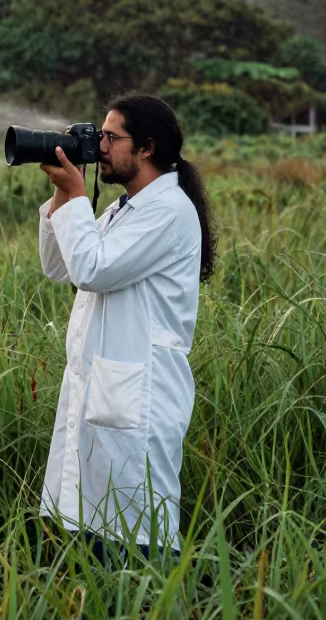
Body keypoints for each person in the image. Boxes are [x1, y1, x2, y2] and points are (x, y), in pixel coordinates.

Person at [36, 93, 216, 560]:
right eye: (100, 135)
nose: (100, 147)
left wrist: (77, 196)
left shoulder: (168, 210)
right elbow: (60, 265)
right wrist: (63, 193)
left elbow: (92, 270)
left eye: (111, 138)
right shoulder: (124, 209)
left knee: (137, 528)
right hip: (107, 387)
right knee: (92, 516)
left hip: (140, 393)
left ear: (146, 148)